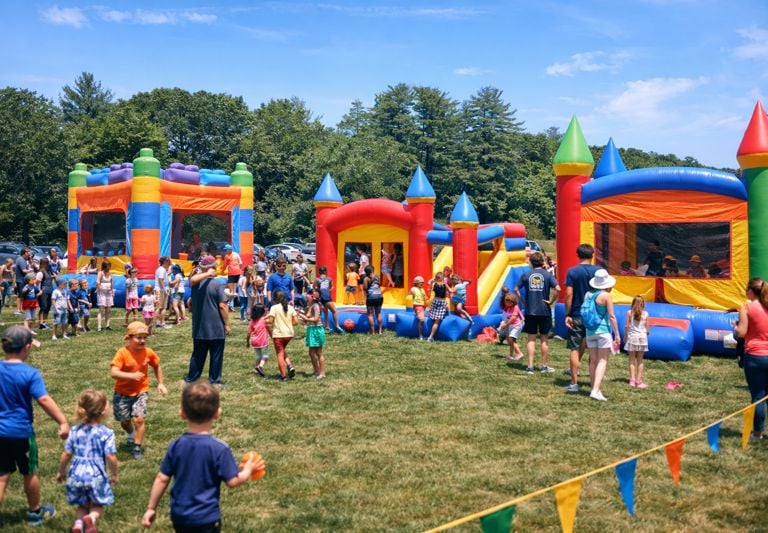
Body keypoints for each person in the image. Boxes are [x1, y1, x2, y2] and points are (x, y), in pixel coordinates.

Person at [141, 381, 265, 531]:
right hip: (206, 518)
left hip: (180, 517)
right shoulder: (219, 449)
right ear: (217, 413)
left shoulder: (176, 445)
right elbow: (233, 481)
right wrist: (248, 470)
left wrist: (151, 508)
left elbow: (162, 478)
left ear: (182, 413)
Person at [0, 325, 69, 526]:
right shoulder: (29, 373)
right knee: (30, 472)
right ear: (27, 347)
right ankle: (35, 511)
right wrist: (63, 421)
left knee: (2, 476)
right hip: (21, 432)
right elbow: (44, 400)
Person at [56, 389, 118, 533]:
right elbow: (110, 456)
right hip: (96, 475)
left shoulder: (75, 431)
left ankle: (78, 524)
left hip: (76, 474)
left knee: (82, 505)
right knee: (98, 504)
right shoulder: (106, 433)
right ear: (103, 410)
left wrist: (61, 471)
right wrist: (114, 474)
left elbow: (66, 454)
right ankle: (91, 519)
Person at [110, 321, 168, 460]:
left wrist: (160, 383)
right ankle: (130, 434)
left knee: (139, 419)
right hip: (122, 393)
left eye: (144, 337)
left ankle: (137, 447)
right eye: (138, 337)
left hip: (141, 391)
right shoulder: (122, 353)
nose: (142, 340)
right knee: (124, 421)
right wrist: (131, 376)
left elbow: (156, 366)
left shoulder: (148, 352)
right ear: (129, 338)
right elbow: (113, 373)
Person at [186, 255, 230, 386]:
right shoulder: (217, 284)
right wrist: (227, 324)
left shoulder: (196, 283)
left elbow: (192, 279)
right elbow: (222, 306)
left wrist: (204, 272)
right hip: (215, 326)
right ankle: (214, 380)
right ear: (213, 268)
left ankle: (192, 379)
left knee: (198, 354)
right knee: (216, 355)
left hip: (200, 326)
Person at [734, 278, 768, 441]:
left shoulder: (747, 307)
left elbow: (741, 332)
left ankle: (757, 433)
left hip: (755, 356)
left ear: (750, 291)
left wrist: (736, 326)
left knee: (758, 396)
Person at [515, 252, 560, 374]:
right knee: (544, 339)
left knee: (531, 339)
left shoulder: (526, 274)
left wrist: (523, 301)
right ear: (542, 262)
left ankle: (530, 367)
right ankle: (544, 366)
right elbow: (558, 289)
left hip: (530, 310)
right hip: (544, 310)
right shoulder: (547, 275)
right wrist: (551, 301)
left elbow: (516, 289)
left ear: (531, 262)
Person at [564, 244, 601, 392]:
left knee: (575, 347)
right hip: (595, 315)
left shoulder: (572, 271)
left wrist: (567, 314)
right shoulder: (599, 271)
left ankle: (574, 383)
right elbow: (608, 289)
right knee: (595, 348)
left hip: (578, 314)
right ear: (592, 255)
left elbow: (568, 294)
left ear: (577, 255)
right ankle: (595, 380)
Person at [584, 269, 621, 401]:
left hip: (590, 331)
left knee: (593, 360)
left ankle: (595, 388)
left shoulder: (588, 294)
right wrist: (617, 333)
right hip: (603, 331)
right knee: (602, 360)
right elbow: (611, 316)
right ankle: (595, 390)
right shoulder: (606, 296)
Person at [266, 289, 298, 381]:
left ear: (275, 299)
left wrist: (263, 321)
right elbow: (296, 322)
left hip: (279, 334)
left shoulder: (274, 308)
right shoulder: (290, 308)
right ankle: (289, 365)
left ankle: (283, 376)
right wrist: (287, 323)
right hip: (289, 334)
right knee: (282, 350)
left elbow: (271, 321)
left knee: (279, 354)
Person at [299, 288, 326, 379]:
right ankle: (316, 371)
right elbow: (307, 319)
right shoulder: (310, 306)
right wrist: (302, 317)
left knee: (319, 352)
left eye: (309, 295)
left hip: (316, 330)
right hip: (311, 330)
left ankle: (322, 373)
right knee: (311, 353)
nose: (307, 296)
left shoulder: (316, 306)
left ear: (313, 297)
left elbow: (315, 319)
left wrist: (305, 318)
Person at [625, 295, 650, 388]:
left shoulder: (629, 313)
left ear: (632, 304)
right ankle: (638, 381)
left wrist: (625, 337)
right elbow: (647, 330)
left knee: (631, 360)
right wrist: (645, 334)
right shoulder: (646, 314)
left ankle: (632, 380)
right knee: (640, 360)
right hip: (642, 339)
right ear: (643, 304)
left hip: (632, 338)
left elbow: (626, 326)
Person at [314, 265, 343, 333]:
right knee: (334, 311)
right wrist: (327, 290)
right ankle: (337, 326)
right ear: (326, 272)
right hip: (326, 297)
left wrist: (319, 291)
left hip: (321, 298)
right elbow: (331, 287)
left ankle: (327, 327)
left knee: (325, 312)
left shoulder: (317, 280)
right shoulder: (329, 279)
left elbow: (314, 288)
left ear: (319, 272)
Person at [499, 293, 524, 361]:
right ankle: (511, 355)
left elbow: (513, 318)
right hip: (511, 326)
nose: (506, 303)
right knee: (509, 340)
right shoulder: (508, 307)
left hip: (516, 326)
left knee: (511, 340)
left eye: (507, 302)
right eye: (505, 302)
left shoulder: (515, 307)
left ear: (512, 302)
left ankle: (519, 353)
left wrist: (505, 325)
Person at [426, 272, 448, 342]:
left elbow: (429, 286)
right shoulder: (445, 285)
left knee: (432, 317)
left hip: (435, 301)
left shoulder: (434, 284)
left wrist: (433, 280)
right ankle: (430, 337)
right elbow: (450, 291)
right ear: (443, 278)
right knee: (436, 322)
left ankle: (429, 336)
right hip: (441, 302)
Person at [249, 304, 270, 377]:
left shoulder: (252, 321)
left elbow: (249, 332)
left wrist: (247, 341)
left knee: (258, 356)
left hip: (254, 341)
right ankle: (260, 366)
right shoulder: (264, 320)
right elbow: (270, 321)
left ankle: (257, 369)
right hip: (262, 341)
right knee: (265, 356)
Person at [364, 265, 384, 335]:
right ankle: (380, 331)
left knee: (370, 314)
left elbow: (365, 288)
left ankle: (372, 331)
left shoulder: (366, 278)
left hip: (371, 297)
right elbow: (379, 285)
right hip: (379, 296)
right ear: (372, 270)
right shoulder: (377, 276)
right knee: (378, 313)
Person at [35, 257, 54, 330]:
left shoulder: (48, 271)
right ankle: (41, 324)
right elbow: (36, 283)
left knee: (48, 308)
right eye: (47, 263)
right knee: (43, 307)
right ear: (44, 264)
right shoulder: (40, 272)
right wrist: (38, 291)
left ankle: (44, 323)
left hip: (49, 291)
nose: (49, 264)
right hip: (43, 292)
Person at [96, 260, 114, 331]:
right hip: (102, 293)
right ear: (104, 266)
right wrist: (100, 287)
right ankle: (99, 326)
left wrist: (112, 291)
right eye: (107, 266)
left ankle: (107, 325)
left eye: (109, 266)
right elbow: (97, 281)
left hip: (108, 293)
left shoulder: (110, 273)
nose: (109, 267)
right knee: (101, 309)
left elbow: (112, 282)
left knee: (108, 310)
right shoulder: (100, 273)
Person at [154, 257, 172, 330]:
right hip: (161, 290)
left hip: (160, 289)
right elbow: (160, 279)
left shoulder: (161, 269)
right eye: (168, 262)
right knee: (162, 307)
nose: (169, 264)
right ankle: (161, 323)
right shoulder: (162, 270)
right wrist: (164, 289)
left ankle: (158, 323)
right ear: (165, 262)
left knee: (159, 307)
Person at [14, 247, 32, 314]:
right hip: (21, 280)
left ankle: (21, 309)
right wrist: (31, 270)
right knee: (20, 295)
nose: (29, 253)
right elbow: (24, 270)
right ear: (24, 253)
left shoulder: (23, 259)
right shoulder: (21, 260)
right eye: (28, 252)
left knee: (22, 296)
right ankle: (18, 310)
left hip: (22, 280)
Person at [410, 276, 427, 340]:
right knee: (422, 320)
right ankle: (420, 335)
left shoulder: (422, 289)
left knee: (423, 318)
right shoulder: (414, 288)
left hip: (422, 306)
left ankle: (421, 335)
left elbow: (424, 297)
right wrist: (412, 292)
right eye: (420, 283)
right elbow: (411, 291)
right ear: (416, 283)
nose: (422, 284)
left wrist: (425, 305)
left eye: (422, 283)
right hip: (417, 306)